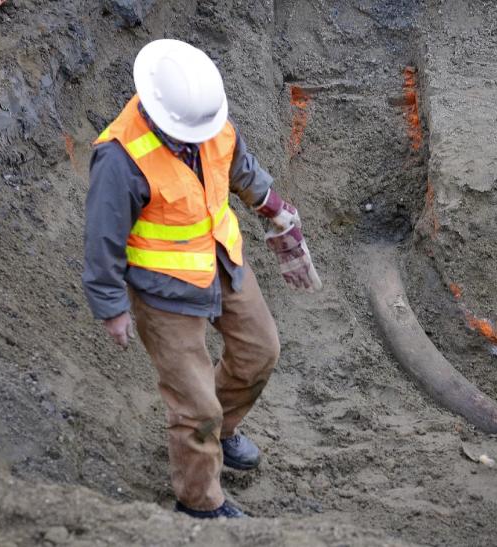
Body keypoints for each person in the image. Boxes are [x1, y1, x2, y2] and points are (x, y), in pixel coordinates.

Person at [82, 39, 322, 518]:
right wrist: (111, 307)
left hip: (222, 262)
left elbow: (238, 166)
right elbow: (101, 240)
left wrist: (273, 208)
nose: (199, 137)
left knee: (260, 352)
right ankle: (199, 501)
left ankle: (223, 430)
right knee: (195, 408)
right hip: (164, 288)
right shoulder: (120, 157)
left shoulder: (206, 119)